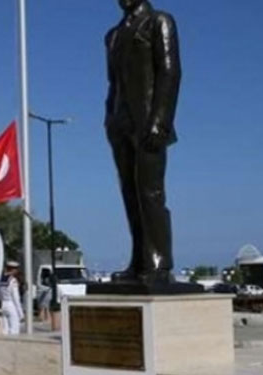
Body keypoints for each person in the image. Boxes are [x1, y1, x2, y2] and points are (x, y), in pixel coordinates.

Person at [105, 0, 182, 284]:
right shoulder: (112, 35)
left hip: (149, 122)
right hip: (120, 124)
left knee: (150, 193)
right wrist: (109, 118)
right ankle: (139, 260)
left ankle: (159, 261)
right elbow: (113, 82)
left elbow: (170, 72)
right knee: (130, 194)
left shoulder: (159, 22)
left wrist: (160, 121)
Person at [0, 261, 24, 335]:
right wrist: (20, 313)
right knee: (14, 329)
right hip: (11, 304)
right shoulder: (12, 280)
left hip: (3, 304)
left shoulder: (1, 279)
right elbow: (16, 298)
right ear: (13, 270)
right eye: (16, 269)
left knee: (5, 329)